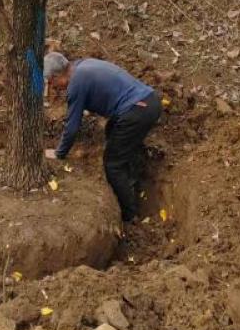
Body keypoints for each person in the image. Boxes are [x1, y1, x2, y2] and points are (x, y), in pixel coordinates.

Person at [44, 52, 161, 223]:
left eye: (52, 82)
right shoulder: (83, 65)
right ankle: (132, 182)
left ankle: (130, 215)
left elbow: (72, 127)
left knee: (112, 165)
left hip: (137, 111)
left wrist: (59, 153)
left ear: (57, 76)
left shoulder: (76, 84)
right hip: (149, 101)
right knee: (112, 131)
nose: (53, 87)